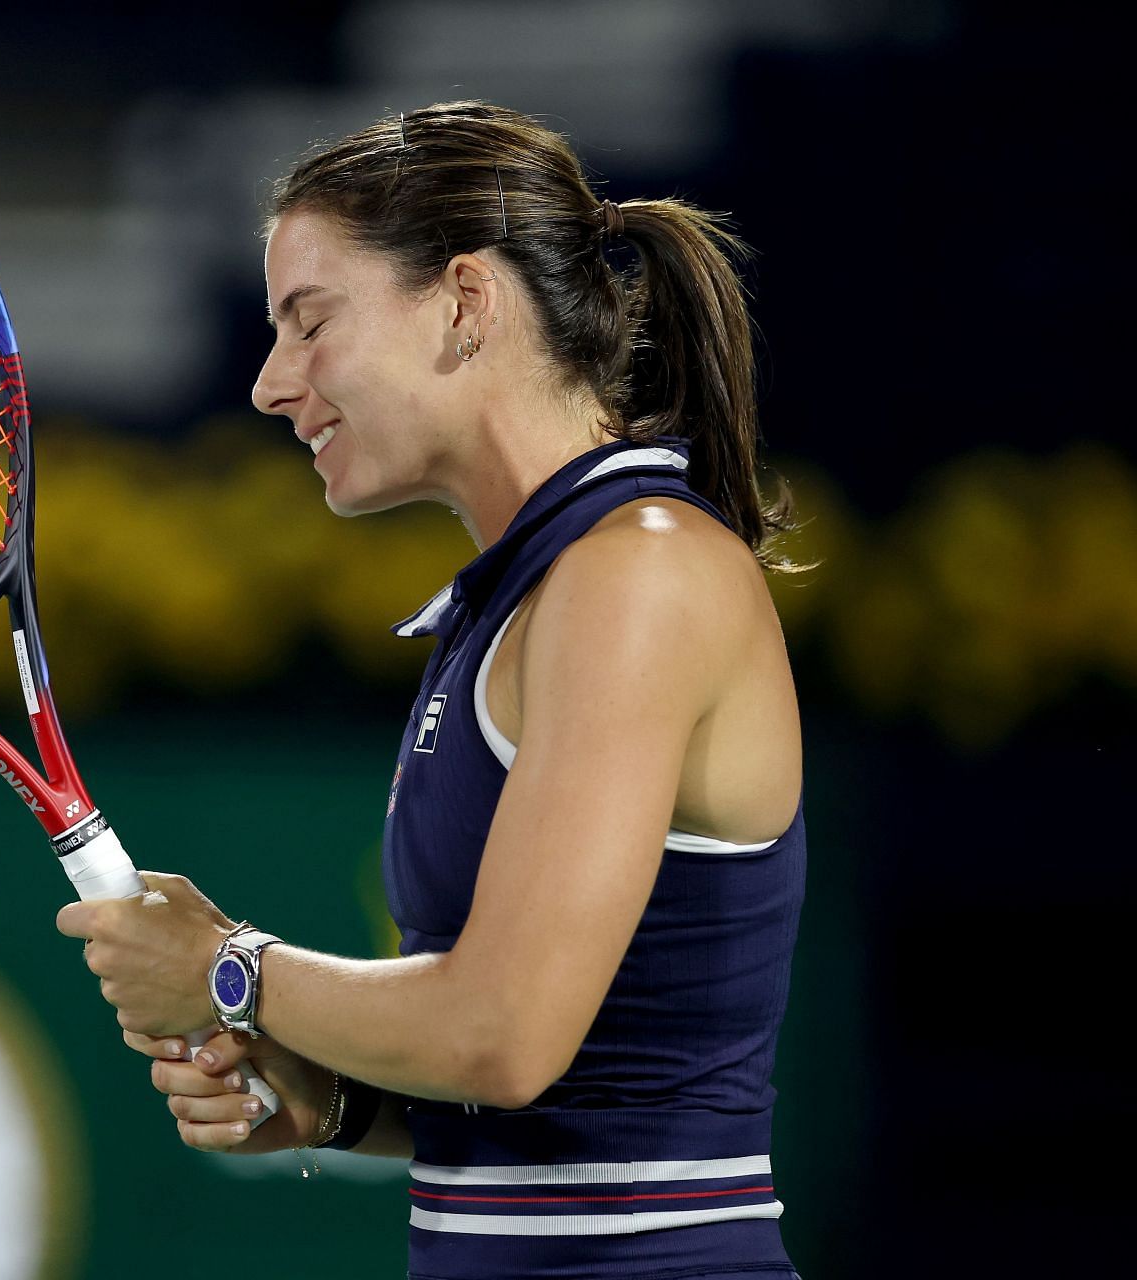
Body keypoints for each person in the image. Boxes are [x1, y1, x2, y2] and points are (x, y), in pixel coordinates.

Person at [56, 100, 807, 1280]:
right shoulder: (525, 594)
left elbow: (503, 1035)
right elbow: (563, 1097)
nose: (268, 383)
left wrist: (228, 967)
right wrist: (339, 1102)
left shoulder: (638, 571)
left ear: (465, 302)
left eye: (311, 323)